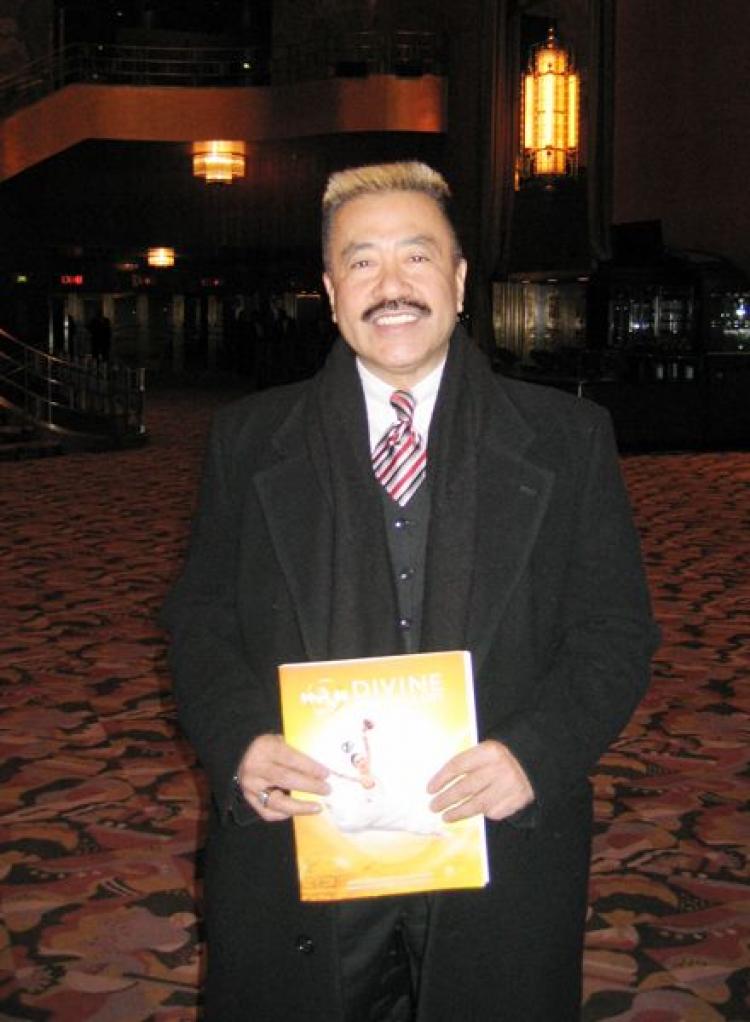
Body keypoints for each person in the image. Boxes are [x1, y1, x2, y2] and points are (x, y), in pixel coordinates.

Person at [161, 161, 659, 1021]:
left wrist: (536, 753)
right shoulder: (248, 439)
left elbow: (615, 631)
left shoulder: (568, 437)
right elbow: (198, 619)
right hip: (304, 843)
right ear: (329, 289)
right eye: (361, 262)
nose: (390, 286)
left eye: (416, 257)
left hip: (495, 836)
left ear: (460, 280)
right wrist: (240, 741)